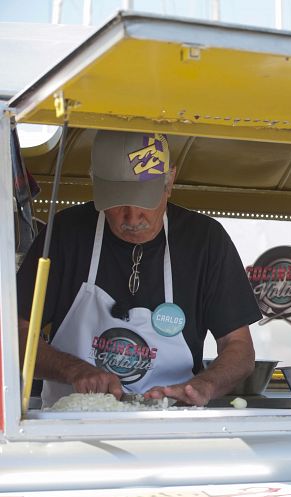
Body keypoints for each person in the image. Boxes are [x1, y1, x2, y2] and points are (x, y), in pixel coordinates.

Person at [16, 130, 262, 407]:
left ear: (169, 182)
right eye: (117, 201)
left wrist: (204, 385)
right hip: (74, 428)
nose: (132, 217)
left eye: (145, 200)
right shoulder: (65, 234)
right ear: (95, 183)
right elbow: (15, 333)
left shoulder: (205, 241)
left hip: (171, 429)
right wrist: (74, 370)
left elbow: (239, 348)